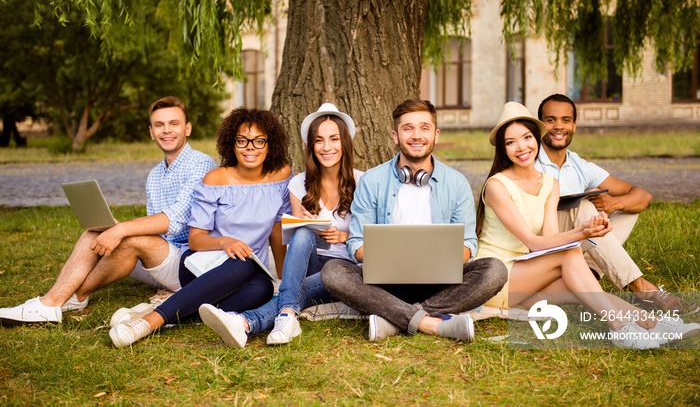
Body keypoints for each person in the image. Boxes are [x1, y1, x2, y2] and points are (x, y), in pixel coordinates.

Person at [475, 102, 698, 349]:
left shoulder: (549, 183)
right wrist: (581, 233)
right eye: (511, 142)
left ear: (536, 138)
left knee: (582, 289)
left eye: (527, 137)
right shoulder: (497, 186)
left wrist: (590, 235)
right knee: (570, 255)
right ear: (503, 149)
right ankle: (620, 329)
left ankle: (652, 322)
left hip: (525, 282)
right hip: (495, 280)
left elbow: (550, 241)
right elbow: (533, 242)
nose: (521, 147)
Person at [0, 96, 216, 326]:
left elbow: (176, 220)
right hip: (162, 259)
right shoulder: (155, 175)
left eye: (174, 123)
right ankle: (61, 300)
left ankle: (58, 300)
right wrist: (114, 228)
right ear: (151, 132)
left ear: (188, 128)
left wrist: (123, 230)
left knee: (128, 240)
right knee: (95, 232)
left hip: (191, 265)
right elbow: (157, 231)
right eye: (159, 125)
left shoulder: (201, 164)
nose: (167, 130)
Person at [319, 99, 508, 343]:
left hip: (440, 283)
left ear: (435, 135)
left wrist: (436, 263)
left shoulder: (457, 182)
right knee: (333, 272)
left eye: (424, 128)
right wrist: (396, 261)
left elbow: (469, 244)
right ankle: (431, 323)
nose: (416, 135)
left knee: (495, 270)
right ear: (395, 136)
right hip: (385, 283)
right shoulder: (372, 181)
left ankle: (395, 318)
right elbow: (356, 244)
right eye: (408, 128)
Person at [108, 107, 293, 348]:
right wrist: (225, 241)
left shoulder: (281, 176)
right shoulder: (215, 179)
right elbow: (195, 239)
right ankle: (149, 322)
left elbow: (277, 229)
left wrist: (283, 279)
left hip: (248, 271)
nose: (250, 147)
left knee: (263, 288)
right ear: (232, 144)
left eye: (259, 141)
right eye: (242, 141)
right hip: (201, 263)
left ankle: (167, 313)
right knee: (242, 264)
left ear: (270, 145)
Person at [198, 103, 364, 347]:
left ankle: (248, 322)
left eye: (334, 139)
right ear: (311, 146)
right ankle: (286, 314)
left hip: (344, 268)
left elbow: (373, 236)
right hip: (309, 263)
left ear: (345, 143)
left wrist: (343, 236)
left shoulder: (364, 182)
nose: (326, 147)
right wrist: (307, 228)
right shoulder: (299, 184)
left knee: (298, 289)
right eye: (319, 140)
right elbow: (295, 236)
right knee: (303, 230)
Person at [536, 94, 697, 314]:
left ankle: (589, 273)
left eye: (566, 120)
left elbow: (642, 196)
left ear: (574, 125)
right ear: (540, 125)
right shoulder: (530, 160)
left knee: (628, 210)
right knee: (584, 208)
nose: (558, 126)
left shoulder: (579, 165)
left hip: (576, 244)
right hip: (544, 245)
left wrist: (613, 203)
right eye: (550, 119)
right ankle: (640, 288)